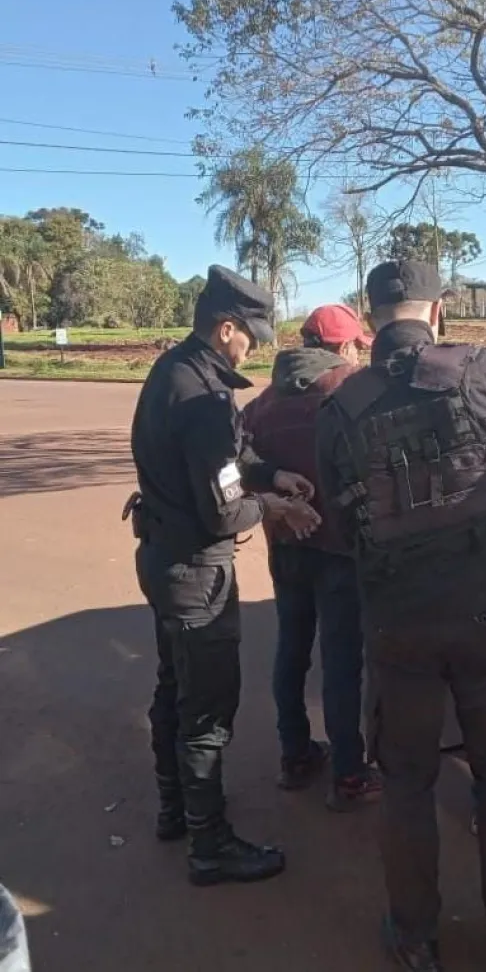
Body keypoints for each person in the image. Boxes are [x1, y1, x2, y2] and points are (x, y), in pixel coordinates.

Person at [315, 261, 486, 972]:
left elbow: (338, 518)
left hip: (398, 628)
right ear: (438, 311)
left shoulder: (341, 404)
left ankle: (415, 936)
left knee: (408, 781)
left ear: (371, 315)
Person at [128, 265, 321, 887]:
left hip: (162, 559)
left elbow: (231, 461)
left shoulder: (176, 372)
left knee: (172, 687)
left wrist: (269, 476)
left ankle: (176, 809)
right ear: (226, 327)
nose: (255, 347)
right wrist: (277, 507)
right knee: (208, 710)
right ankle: (210, 846)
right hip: (195, 572)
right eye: (251, 336)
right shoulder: (203, 397)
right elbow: (224, 510)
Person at [242, 304, 383, 808]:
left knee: (292, 650)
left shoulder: (264, 400)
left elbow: (239, 458)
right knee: (343, 664)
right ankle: (349, 774)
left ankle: (296, 754)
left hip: (287, 545)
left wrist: (275, 493)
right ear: (343, 347)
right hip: (343, 550)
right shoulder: (355, 390)